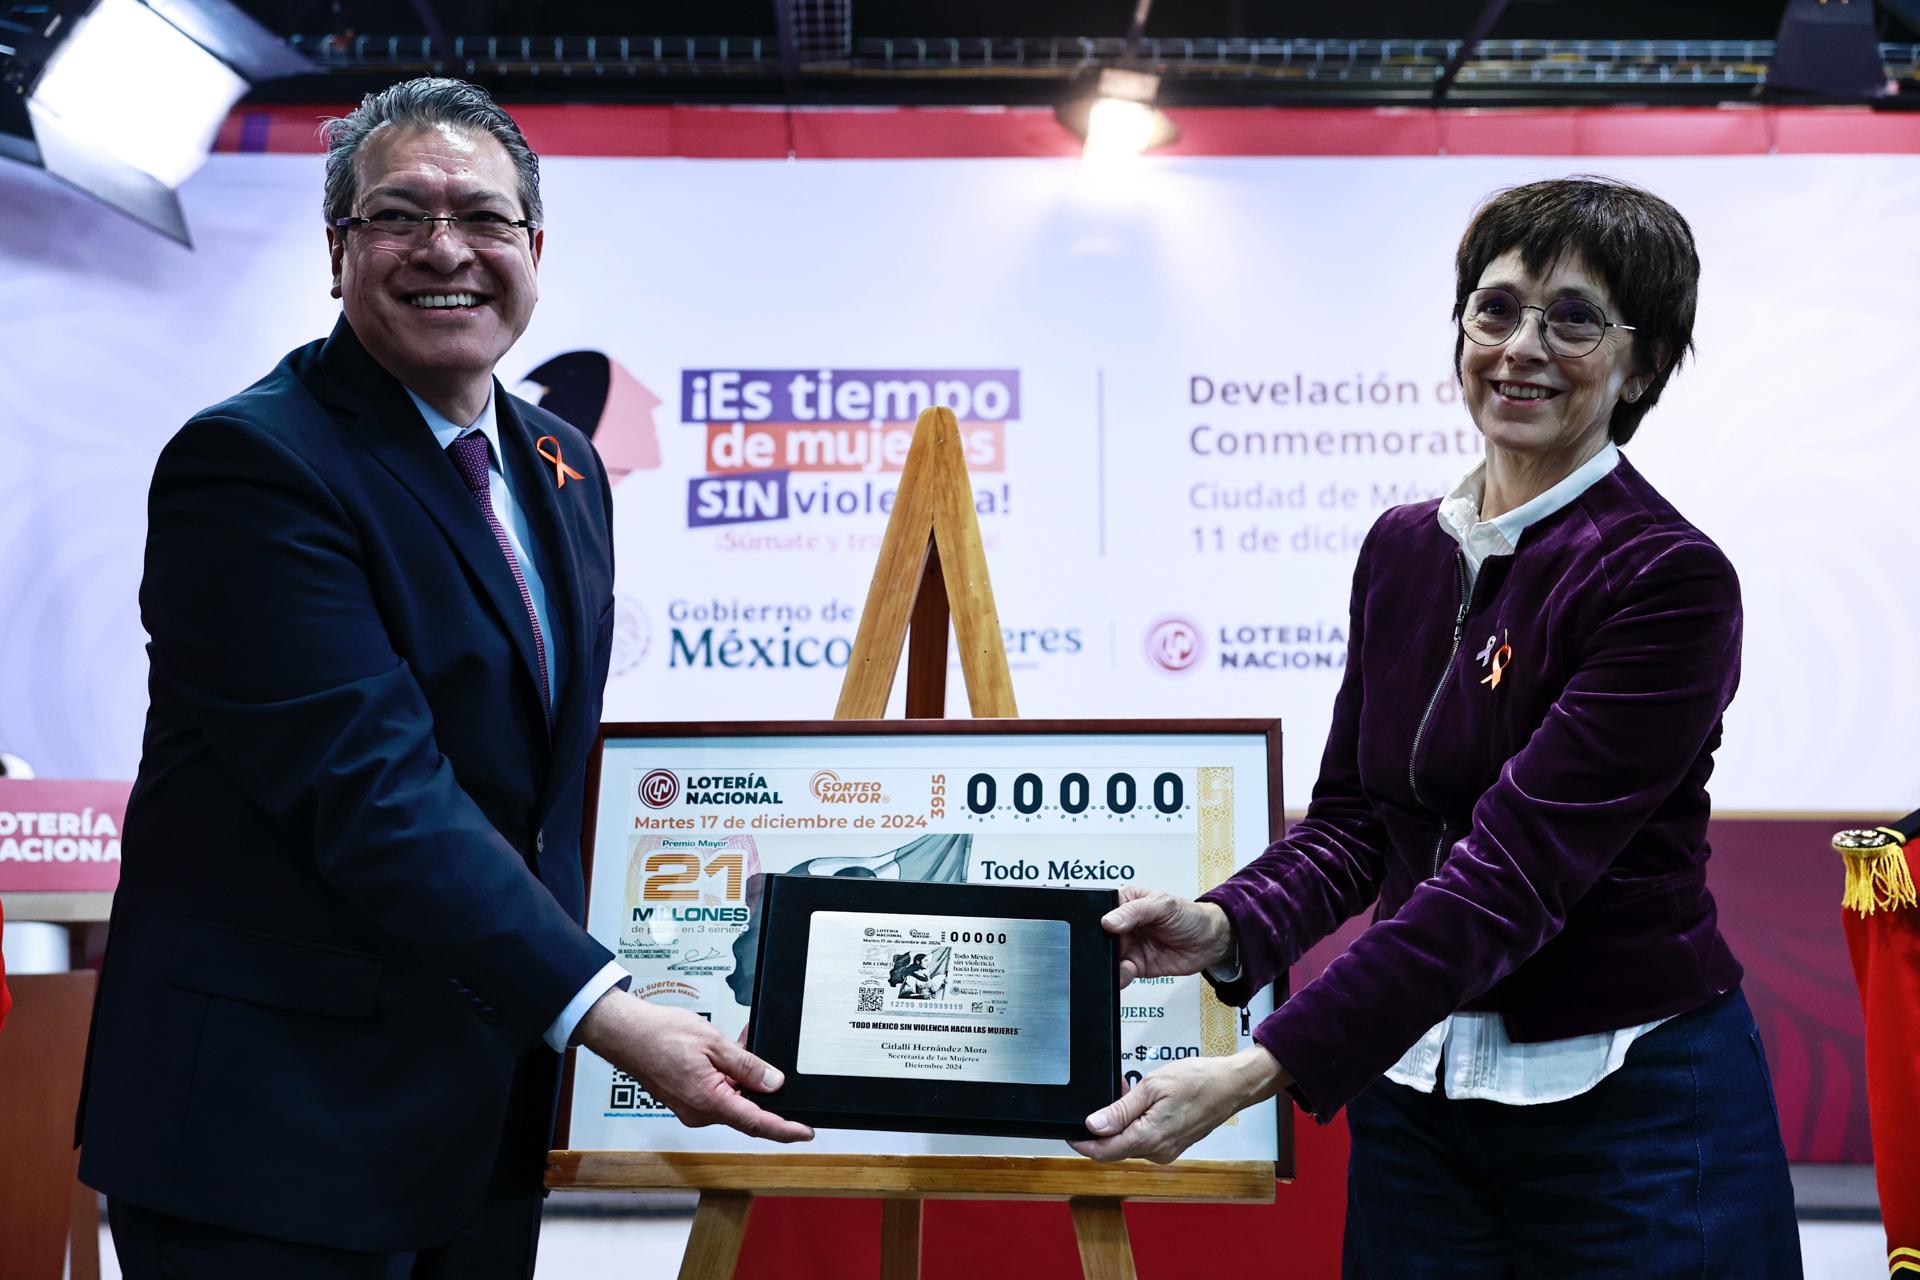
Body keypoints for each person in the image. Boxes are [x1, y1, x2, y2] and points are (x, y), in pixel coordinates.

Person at [76, 78, 809, 1280]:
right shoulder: (253, 465)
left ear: (533, 248)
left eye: (481, 216)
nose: (443, 249)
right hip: (272, 1134)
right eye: (397, 216)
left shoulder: (560, 460)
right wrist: (609, 1013)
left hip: (480, 1115)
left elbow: (541, 779)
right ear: (337, 253)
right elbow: (374, 792)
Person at [1070, 177, 1801, 1274]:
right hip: (1417, 1100)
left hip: (1633, 1108)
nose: (1522, 347)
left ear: (1642, 366)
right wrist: (1224, 925)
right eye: (1496, 308)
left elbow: (1510, 874)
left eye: (1574, 317)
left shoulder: (1668, 576)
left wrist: (1261, 1063)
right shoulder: (1403, 547)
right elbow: (1362, 820)